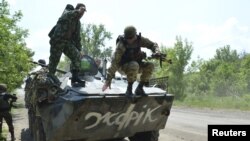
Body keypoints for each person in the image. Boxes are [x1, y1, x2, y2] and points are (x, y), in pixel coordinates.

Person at [102, 25, 161, 97]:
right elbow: (114, 63)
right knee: (134, 64)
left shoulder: (140, 40)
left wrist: (157, 52)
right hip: (123, 67)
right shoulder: (121, 45)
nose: (129, 40)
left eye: (131, 38)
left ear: (135, 36)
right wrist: (108, 80)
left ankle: (140, 88)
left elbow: (152, 44)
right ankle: (129, 90)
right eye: (128, 38)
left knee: (150, 66)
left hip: (136, 66)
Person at [48, 3, 87, 85]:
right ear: (76, 9)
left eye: (84, 13)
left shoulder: (77, 23)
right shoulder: (67, 13)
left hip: (66, 42)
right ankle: (50, 76)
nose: (82, 14)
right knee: (54, 60)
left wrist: (79, 50)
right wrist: (78, 11)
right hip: (57, 40)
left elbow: (77, 38)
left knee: (77, 56)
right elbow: (69, 14)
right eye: (81, 12)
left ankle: (75, 77)